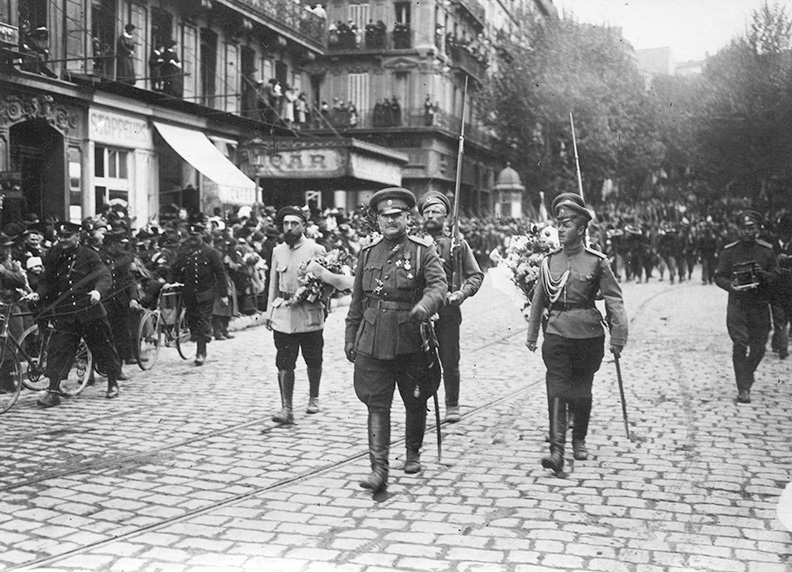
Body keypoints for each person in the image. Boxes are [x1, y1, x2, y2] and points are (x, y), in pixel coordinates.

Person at [345, 188, 447, 494]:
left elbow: (439, 286)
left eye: (397, 216)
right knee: (377, 404)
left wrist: (425, 306)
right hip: (373, 339)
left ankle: (413, 451)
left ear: (407, 218)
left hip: (410, 337)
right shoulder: (367, 253)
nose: (391, 221)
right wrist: (351, 336)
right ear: (378, 220)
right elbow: (357, 300)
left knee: (414, 399)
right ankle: (379, 469)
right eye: (385, 216)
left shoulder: (421, 251)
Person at [526, 193, 628, 476]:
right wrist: (533, 333)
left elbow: (614, 299)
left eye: (567, 224)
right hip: (557, 331)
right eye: (558, 224)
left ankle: (579, 437)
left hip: (588, 334)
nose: (560, 229)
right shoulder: (549, 261)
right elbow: (538, 300)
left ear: (582, 229)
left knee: (582, 391)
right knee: (557, 388)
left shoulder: (597, 262)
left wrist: (618, 337)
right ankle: (557, 451)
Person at [32, 222, 124, 407]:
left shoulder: (89, 255)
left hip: (90, 312)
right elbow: (46, 279)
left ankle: (112, 382)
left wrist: (98, 292)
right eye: (61, 236)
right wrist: (38, 293)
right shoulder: (55, 255)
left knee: (103, 348)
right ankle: (53, 391)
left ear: (77, 236)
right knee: (58, 350)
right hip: (66, 314)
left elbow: (104, 275)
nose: (63, 240)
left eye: (67, 236)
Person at [417, 191, 483, 423]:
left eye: (436, 211)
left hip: (447, 310)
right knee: (418, 361)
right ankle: (420, 403)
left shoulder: (458, 245)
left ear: (446, 216)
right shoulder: (413, 243)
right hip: (420, 311)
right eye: (426, 212)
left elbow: (476, 275)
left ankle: (452, 404)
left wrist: (462, 293)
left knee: (449, 360)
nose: (431, 215)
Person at [264, 207, 327, 425]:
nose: (289, 228)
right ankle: (287, 409)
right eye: (285, 224)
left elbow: (327, 284)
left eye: (294, 223)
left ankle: (313, 397)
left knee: (313, 359)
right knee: (284, 361)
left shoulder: (316, 249)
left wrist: (317, 295)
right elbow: (272, 282)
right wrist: (269, 312)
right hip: (283, 315)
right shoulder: (277, 251)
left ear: (303, 226)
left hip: (308, 315)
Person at [714, 210, 778, 404]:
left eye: (751, 228)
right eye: (744, 229)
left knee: (759, 349)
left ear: (757, 229)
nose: (747, 232)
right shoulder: (729, 251)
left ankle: (746, 375)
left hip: (759, 306)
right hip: (738, 305)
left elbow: (777, 277)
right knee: (740, 345)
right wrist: (730, 286)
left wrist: (763, 275)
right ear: (738, 230)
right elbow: (719, 276)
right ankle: (743, 388)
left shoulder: (767, 251)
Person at [169, 223, 229, 366]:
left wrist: (224, 294)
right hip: (189, 293)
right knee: (193, 322)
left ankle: (201, 352)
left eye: (196, 236)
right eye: (191, 236)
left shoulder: (210, 252)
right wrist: (169, 282)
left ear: (202, 235)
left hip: (206, 293)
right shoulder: (185, 251)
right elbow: (174, 268)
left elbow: (220, 274)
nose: (193, 239)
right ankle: (199, 344)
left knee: (203, 321)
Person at [99, 229, 140, 366]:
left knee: (121, 334)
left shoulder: (122, 259)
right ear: (112, 244)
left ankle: (119, 367)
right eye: (120, 243)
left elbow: (129, 280)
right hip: (104, 302)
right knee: (105, 336)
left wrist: (133, 298)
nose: (123, 246)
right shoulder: (99, 258)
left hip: (120, 302)